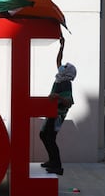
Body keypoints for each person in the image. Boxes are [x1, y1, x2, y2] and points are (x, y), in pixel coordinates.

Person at [39, 38, 76, 176]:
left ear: (68, 73)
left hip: (57, 115)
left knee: (49, 138)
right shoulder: (60, 78)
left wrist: (57, 97)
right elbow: (58, 62)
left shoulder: (65, 83)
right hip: (52, 113)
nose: (62, 66)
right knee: (44, 136)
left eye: (65, 67)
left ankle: (57, 165)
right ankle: (52, 161)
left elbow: (69, 102)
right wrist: (62, 47)